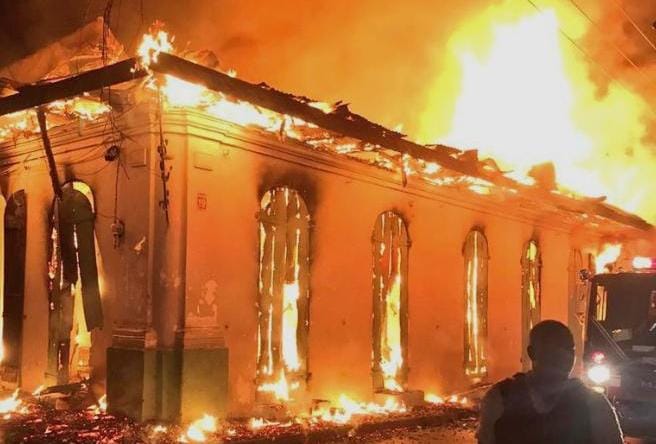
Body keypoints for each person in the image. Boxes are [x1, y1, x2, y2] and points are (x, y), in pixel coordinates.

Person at [477, 320, 623, 444]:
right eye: (553, 348)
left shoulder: (594, 404)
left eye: (568, 348)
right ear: (531, 353)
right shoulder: (500, 398)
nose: (563, 356)